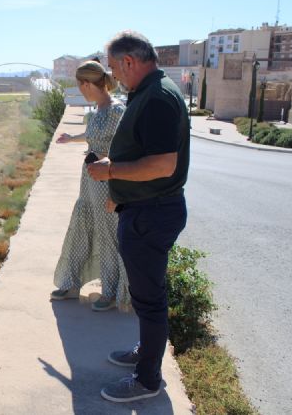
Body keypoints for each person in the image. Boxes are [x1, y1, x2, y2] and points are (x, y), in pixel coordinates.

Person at [87, 31, 190, 402]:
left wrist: (111, 173)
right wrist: (120, 194)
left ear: (129, 61)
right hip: (145, 209)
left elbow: (163, 164)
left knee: (149, 300)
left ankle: (147, 380)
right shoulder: (148, 91)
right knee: (147, 296)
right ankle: (146, 353)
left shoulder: (158, 97)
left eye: (114, 67)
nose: (113, 76)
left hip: (152, 213)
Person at [50, 60, 130, 312]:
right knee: (83, 227)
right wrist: (71, 138)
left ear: (86, 84)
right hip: (89, 181)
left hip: (107, 183)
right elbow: (94, 136)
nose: (80, 89)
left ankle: (110, 292)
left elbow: (128, 148)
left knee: (107, 236)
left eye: (79, 85)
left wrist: (112, 170)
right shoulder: (97, 111)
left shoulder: (117, 110)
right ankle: (72, 282)